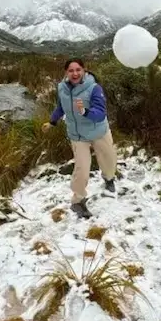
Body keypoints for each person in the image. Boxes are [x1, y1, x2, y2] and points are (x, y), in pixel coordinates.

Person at [42, 58, 117, 219]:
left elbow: (100, 113)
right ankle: (77, 201)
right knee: (82, 169)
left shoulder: (94, 88)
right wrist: (52, 122)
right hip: (77, 135)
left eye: (78, 70)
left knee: (109, 160)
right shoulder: (62, 88)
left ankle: (109, 178)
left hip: (99, 131)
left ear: (84, 70)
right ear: (66, 73)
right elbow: (61, 107)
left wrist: (85, 112)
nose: (75, 73)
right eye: (71, 70)